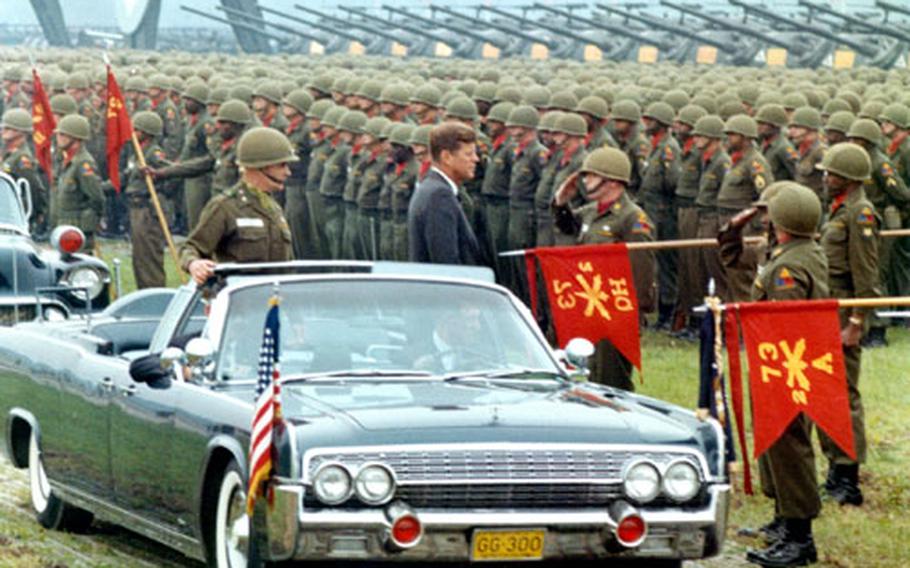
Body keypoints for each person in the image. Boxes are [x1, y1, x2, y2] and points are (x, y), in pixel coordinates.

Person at [744, 182, 827, 568]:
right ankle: (784, 520)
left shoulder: (789, 266)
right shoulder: (797, 252)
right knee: (779, 444)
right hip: (786, 363)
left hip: (786, 364)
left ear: (783, 221)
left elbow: (785, 324)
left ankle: (799, 538)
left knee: (790, 446)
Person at [551, 147, 656, 391]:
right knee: (587, 370)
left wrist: (633, 310)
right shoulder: (591, 212)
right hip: (590, 304)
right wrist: (560, 203)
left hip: (616, 309)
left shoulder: (632, 218)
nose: (585, 180)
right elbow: (567, 228)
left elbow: (641, 267)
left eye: (591, 175)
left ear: (611, 181)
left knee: (611, 378)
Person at [815, 143, 881, 507]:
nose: (825, 177)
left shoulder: (861, 214)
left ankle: (848, 477)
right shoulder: (838, 210)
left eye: (831, 173)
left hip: (845, 311)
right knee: (827, 390)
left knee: (844, 392)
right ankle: (835, 468)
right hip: (829, 307)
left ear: (850, 178)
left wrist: (857, 321)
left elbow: (866, 275)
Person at [179, 127, 297, 285]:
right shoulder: (225, 207)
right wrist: (194, 264)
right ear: (262, 166)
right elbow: (191, 247)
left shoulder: (273, 208)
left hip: (277, 299)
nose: (288, 172)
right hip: (242, 300)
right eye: (282, 165)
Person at [407, 121, 482, 265]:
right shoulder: (439, 196)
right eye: (468, 154)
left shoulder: (431, 187)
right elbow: (446, 262)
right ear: (446, 157)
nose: (476, 159)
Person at [120, 111, 170, 289]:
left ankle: (154, 292)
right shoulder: (137, 152)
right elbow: (125, 177)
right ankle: (144, 291)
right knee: (139, 258)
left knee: (149, 258)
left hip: (148, 209)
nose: (133, 132)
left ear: (146, 132)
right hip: (137, 209)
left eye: (137, 129)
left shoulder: (154, 154)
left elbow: (170, 173)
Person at [52, 114, 104, 252]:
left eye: (63, 135)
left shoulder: (83, 163)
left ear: (76, 138)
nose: (58, 138)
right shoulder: (67, 161)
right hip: (64, 227)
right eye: (59, 134)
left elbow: (96, 197)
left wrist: (90, 221)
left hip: (77, 231)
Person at [1, 108, 47, 235]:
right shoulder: (9, 154)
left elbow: (33, 188)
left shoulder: (22, 159)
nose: (3, 131)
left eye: (9, 128)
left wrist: (33, 214)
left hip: (15, 217)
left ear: (21, 132)